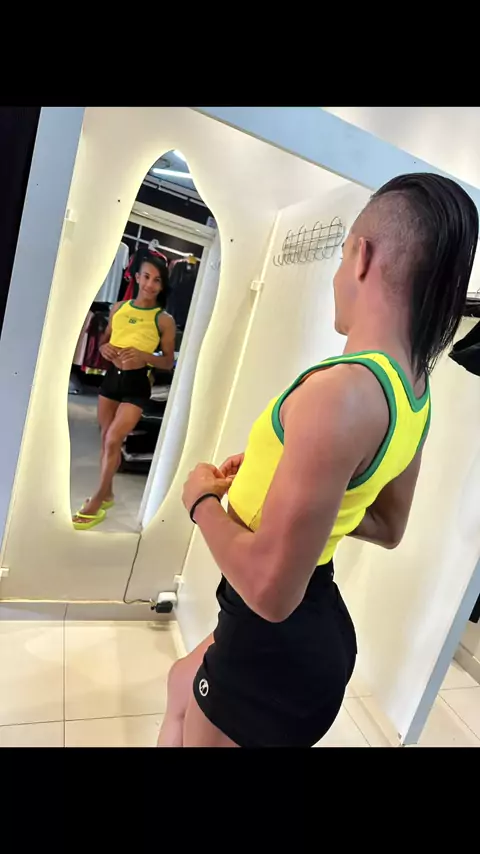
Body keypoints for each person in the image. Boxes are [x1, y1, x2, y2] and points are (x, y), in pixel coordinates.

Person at [157, 173, 479, 748]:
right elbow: (386, 524)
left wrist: (200, 499)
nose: (336, 276)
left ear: (362, 256)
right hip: (312, 625)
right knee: (181, 683)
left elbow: (270, 592)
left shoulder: (341, 394)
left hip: (271, 643)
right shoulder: (412, 389)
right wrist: (284, 487)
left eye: (341, 255)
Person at [73, 254, 176, 529]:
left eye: (157, 280)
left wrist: (145, 356)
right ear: (136, 277)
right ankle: (107, 493)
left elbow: (168, 361)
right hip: (111, 380)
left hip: (137, 384)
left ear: (162, 285)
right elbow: (105, 340)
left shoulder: (163, 320)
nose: (150, 285)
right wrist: (104, 348)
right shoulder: (119, 308)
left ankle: (97, 499)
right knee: (106, 438)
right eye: (146, 277)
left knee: (113, 439)